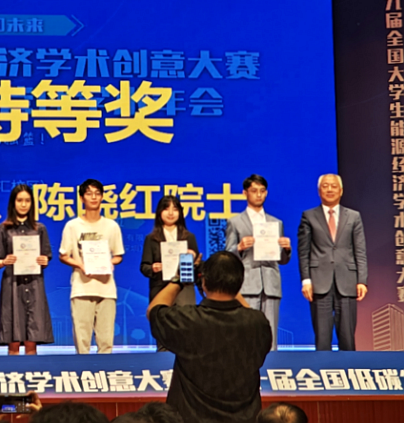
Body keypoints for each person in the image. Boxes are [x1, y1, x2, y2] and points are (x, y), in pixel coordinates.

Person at [147, 251, 272, 423]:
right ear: (240, 283)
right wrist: (231, 289)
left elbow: (154, 310)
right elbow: (248, 311)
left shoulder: (186, 319)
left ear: (204, 282)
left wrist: (178, 279)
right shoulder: (257, 322)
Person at [298, 173, 368, 351]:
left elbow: (359, 250)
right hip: (319, 283)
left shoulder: (353, 216)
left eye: (333, 186)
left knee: (347, 337)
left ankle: (349, 367)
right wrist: (306, 280)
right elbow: (303, 252)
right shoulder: (309, 216)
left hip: (347, 281)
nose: (329, 189)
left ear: (341, 190)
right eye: (325, 186)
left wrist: (362, 280)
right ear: (319, 191)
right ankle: (323, 367)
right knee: (322, 338)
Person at [225, 174, 291, 351]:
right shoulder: (235, 222)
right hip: (247, 284)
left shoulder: (276, 223)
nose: (258, 194)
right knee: (246, 332)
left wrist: (286, 249)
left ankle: (272, 365)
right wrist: (239, 247)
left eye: (262, 191)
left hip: (270, 282)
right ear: (245, 193)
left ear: (266, 193)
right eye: (254, 191)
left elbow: (282, 260)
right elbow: (228, 256)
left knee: (271, 333)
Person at [59, 178, 125, 354]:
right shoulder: (72, 226)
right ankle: (83, 370)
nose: (93, 197)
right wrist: (81, 265)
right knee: (82, 341)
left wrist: (109, 263)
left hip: (106, 289)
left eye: (97, 193)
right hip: (82, 288)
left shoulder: (111, 226)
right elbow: (63, 255)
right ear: (82, 198)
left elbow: (118, 255)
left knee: (106, 341)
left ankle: (105, 370)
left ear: (102, 197)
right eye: (89, 194)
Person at [0, 184, 54, 354]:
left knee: (32, 338)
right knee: (13, 339)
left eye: (27, 200)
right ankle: (13, 370)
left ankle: (32, 369)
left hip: (34, 285)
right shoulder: (4, 228)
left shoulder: (39, 229)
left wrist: (44, 260)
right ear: (13, 203)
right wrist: (4, 261)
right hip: (12, 286)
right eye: (20, 200)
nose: (23, 204)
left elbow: (46, 256)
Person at [140, 195, 198, 350]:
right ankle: (163, 361)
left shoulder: (189, 237)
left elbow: (197, 266)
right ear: (160, 212)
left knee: (186, 329)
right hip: (160, 288)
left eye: (175, 209)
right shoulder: (151, 239)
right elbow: (144, 267)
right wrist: (153, 268)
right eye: (166, 209)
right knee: (163, 331)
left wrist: (193, 258)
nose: (171, 213)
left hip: (184, 288)